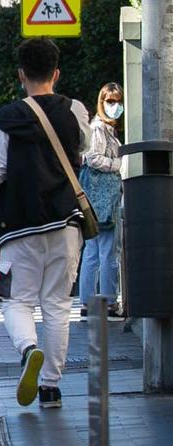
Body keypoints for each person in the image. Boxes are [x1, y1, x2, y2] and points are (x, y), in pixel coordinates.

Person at [0, 39, 92, 410]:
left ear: (21, 75)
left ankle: (28, 350)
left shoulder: (3, 121)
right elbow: (83, 147)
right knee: (57, 305)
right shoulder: (76, 111)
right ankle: (51, 387)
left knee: (17, 301)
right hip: (66, 223)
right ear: (56, 73)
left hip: (18, 225)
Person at [79, 81, 125, 313]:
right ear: (101, 102)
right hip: (103, 199)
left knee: (93, 251)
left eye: (118, 101)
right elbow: (93, 158)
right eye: (110, 101)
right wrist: (118, 164)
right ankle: (108, 301)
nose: (115, 106)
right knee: (106, 252)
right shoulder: (98, 129)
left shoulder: (104, 128)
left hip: (95, 200)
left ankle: (88, 300)